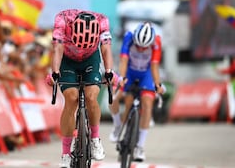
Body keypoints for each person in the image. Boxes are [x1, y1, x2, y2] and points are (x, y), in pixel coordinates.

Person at [46, 9, 114, 167]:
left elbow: (105, 48)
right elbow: (57, 48)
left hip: (91, 59)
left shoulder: (102, 20)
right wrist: (55, 73)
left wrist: (109, 71)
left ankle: (95, 139)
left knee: (91, 97)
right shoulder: (62, 20)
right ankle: (65, 152)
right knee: (71, 98)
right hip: (67, 60)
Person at [108, 22, 165, 162]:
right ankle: (117, 126)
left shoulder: (156, 42)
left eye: (144, 47)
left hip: (146, 74)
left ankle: (140, 147)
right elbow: (123, 60)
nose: (140, 49)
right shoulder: (129, 37)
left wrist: (157, 85)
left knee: (147, 102)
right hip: (130, 71)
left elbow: (154, 66)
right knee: (113, 95)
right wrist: (121, 79)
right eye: (138, 46)